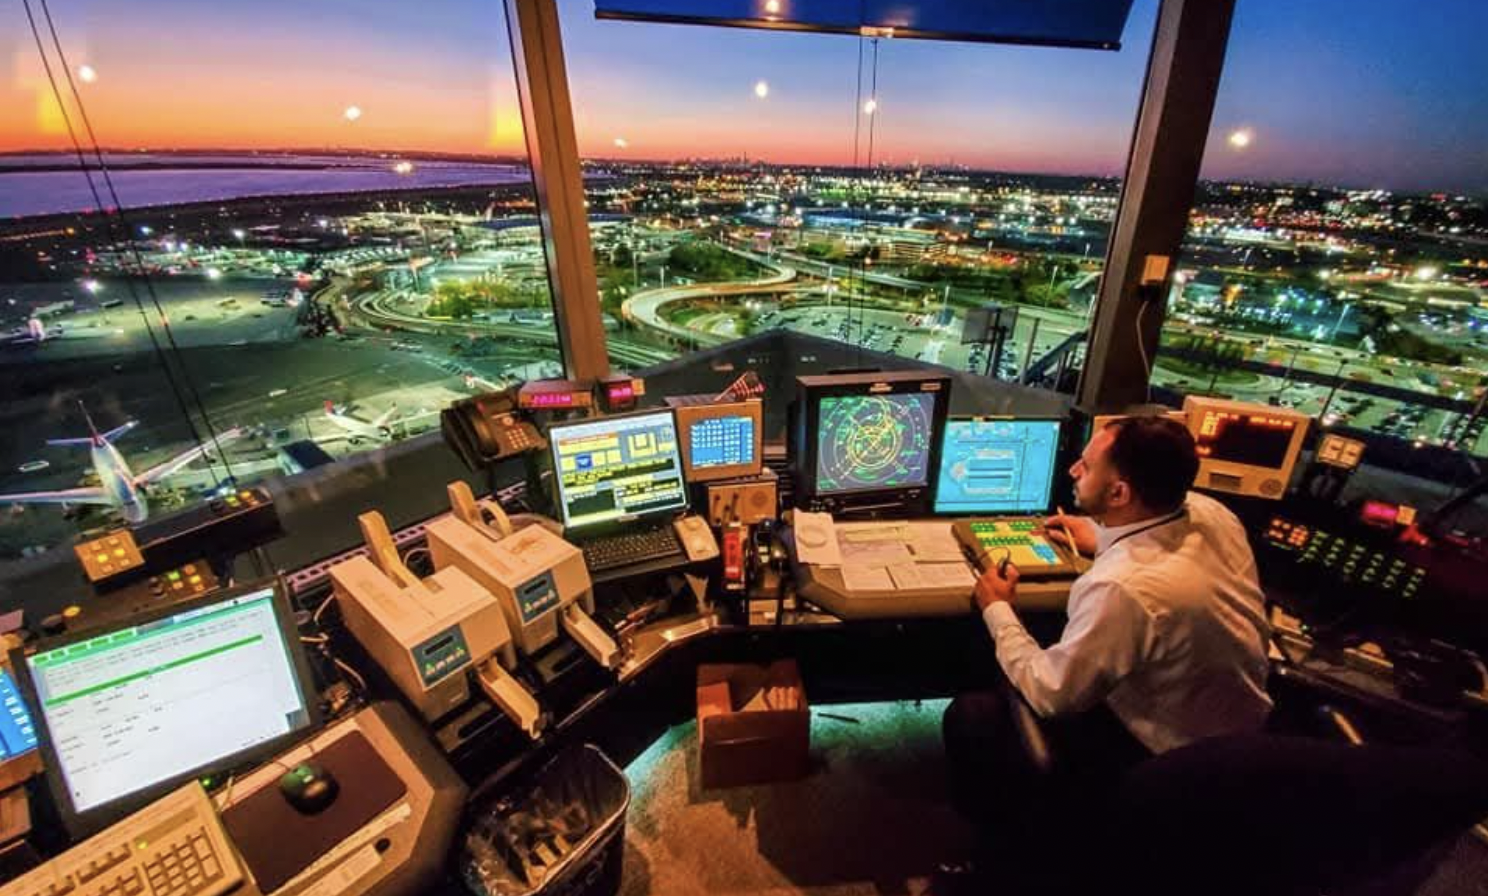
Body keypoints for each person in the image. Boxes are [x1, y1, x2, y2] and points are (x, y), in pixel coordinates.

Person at [941, 415, 1273, 860]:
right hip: (1243, 738)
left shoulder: (1123, 586)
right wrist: (1103, 532)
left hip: (1166, 758)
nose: (1074, 470)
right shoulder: (1214, 514)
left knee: (972, 715)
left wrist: (997, 607)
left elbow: (1051, 694)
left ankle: (999, 857)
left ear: (1119, 493)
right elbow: (1159, 534)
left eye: (1087, 466)